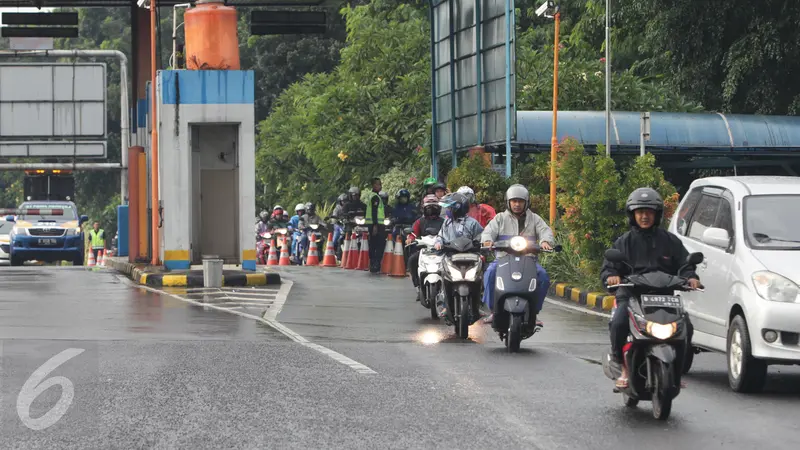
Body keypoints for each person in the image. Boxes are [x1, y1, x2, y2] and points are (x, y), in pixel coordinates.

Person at [600, 187, 702, 389]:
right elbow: (609, 267)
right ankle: (622, 366)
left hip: (665, 297)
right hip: (631, 296)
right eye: (640, 212)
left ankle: (676, 371)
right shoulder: (624, 242)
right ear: (633, 215)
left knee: (686, 326)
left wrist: (691, 277)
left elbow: (685, 264)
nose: (644, 216)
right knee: (619, 321)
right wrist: (612, 276)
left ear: (657, 215)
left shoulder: (670, 241)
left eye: (649, 212)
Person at [481, 184, 554, 325]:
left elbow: (545, 231)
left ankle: (534, 312)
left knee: (543, 277)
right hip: (503, 259)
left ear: (526, 203)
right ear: (508, 202)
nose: (517, 204)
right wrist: (488, 241)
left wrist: (545, 241)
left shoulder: (535, 219)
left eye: (520, 201)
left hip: (528, 260)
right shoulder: (500, 218)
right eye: (514, 201)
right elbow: (488, 231)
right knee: (490, 273)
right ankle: (493, 311)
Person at [433, 192, 484, 318]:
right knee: (443, 276)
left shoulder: (472, 223)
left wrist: (481, 243)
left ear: (458, 208)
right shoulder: (446, 223)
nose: (448, 210)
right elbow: (440, 236)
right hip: (451, 256)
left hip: (470, 256)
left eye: (450, 208)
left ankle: (479, 305)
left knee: (481, 276)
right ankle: (444, 304)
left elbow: (482, 236)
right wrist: (438, 243)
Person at [406, 194, 445, 292]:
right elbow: (413, 233)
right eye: (429, 208)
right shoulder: (420, 222)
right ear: (424, 209)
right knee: (412, 260)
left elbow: (449, 233)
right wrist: (410, 239)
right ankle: (417, 286)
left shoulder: (444, 222)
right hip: (424, 250)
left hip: (441, 250)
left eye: (434, 208)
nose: (431, 211)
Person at [365, 178, 387, 273]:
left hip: (376, 224)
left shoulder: (373, 196)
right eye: (378, 184)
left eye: (380, 184)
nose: (380, 186)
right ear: (373, 185)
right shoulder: (375, 197)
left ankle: (374, 264)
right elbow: (374, 212)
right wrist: (375, 225)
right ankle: (375, 263)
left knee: (374, 244)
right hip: (377, 225)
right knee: (378, 244)